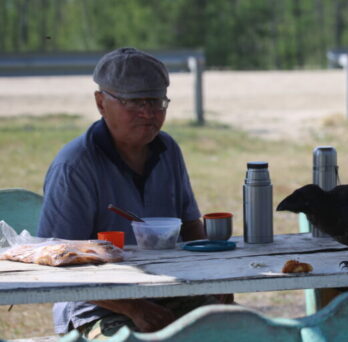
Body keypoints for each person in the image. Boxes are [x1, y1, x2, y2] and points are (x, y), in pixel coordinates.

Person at [37, 47, 232, 338]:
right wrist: (133, 308)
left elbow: (191, 225)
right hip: (98, 305)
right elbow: (57, 257)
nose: (148, 113)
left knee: (234, 328)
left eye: (156, 101)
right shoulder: (76, 164)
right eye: (133, 102)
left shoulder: (168, 150)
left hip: (170, 289)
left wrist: (215, 282)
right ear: (101, 103)